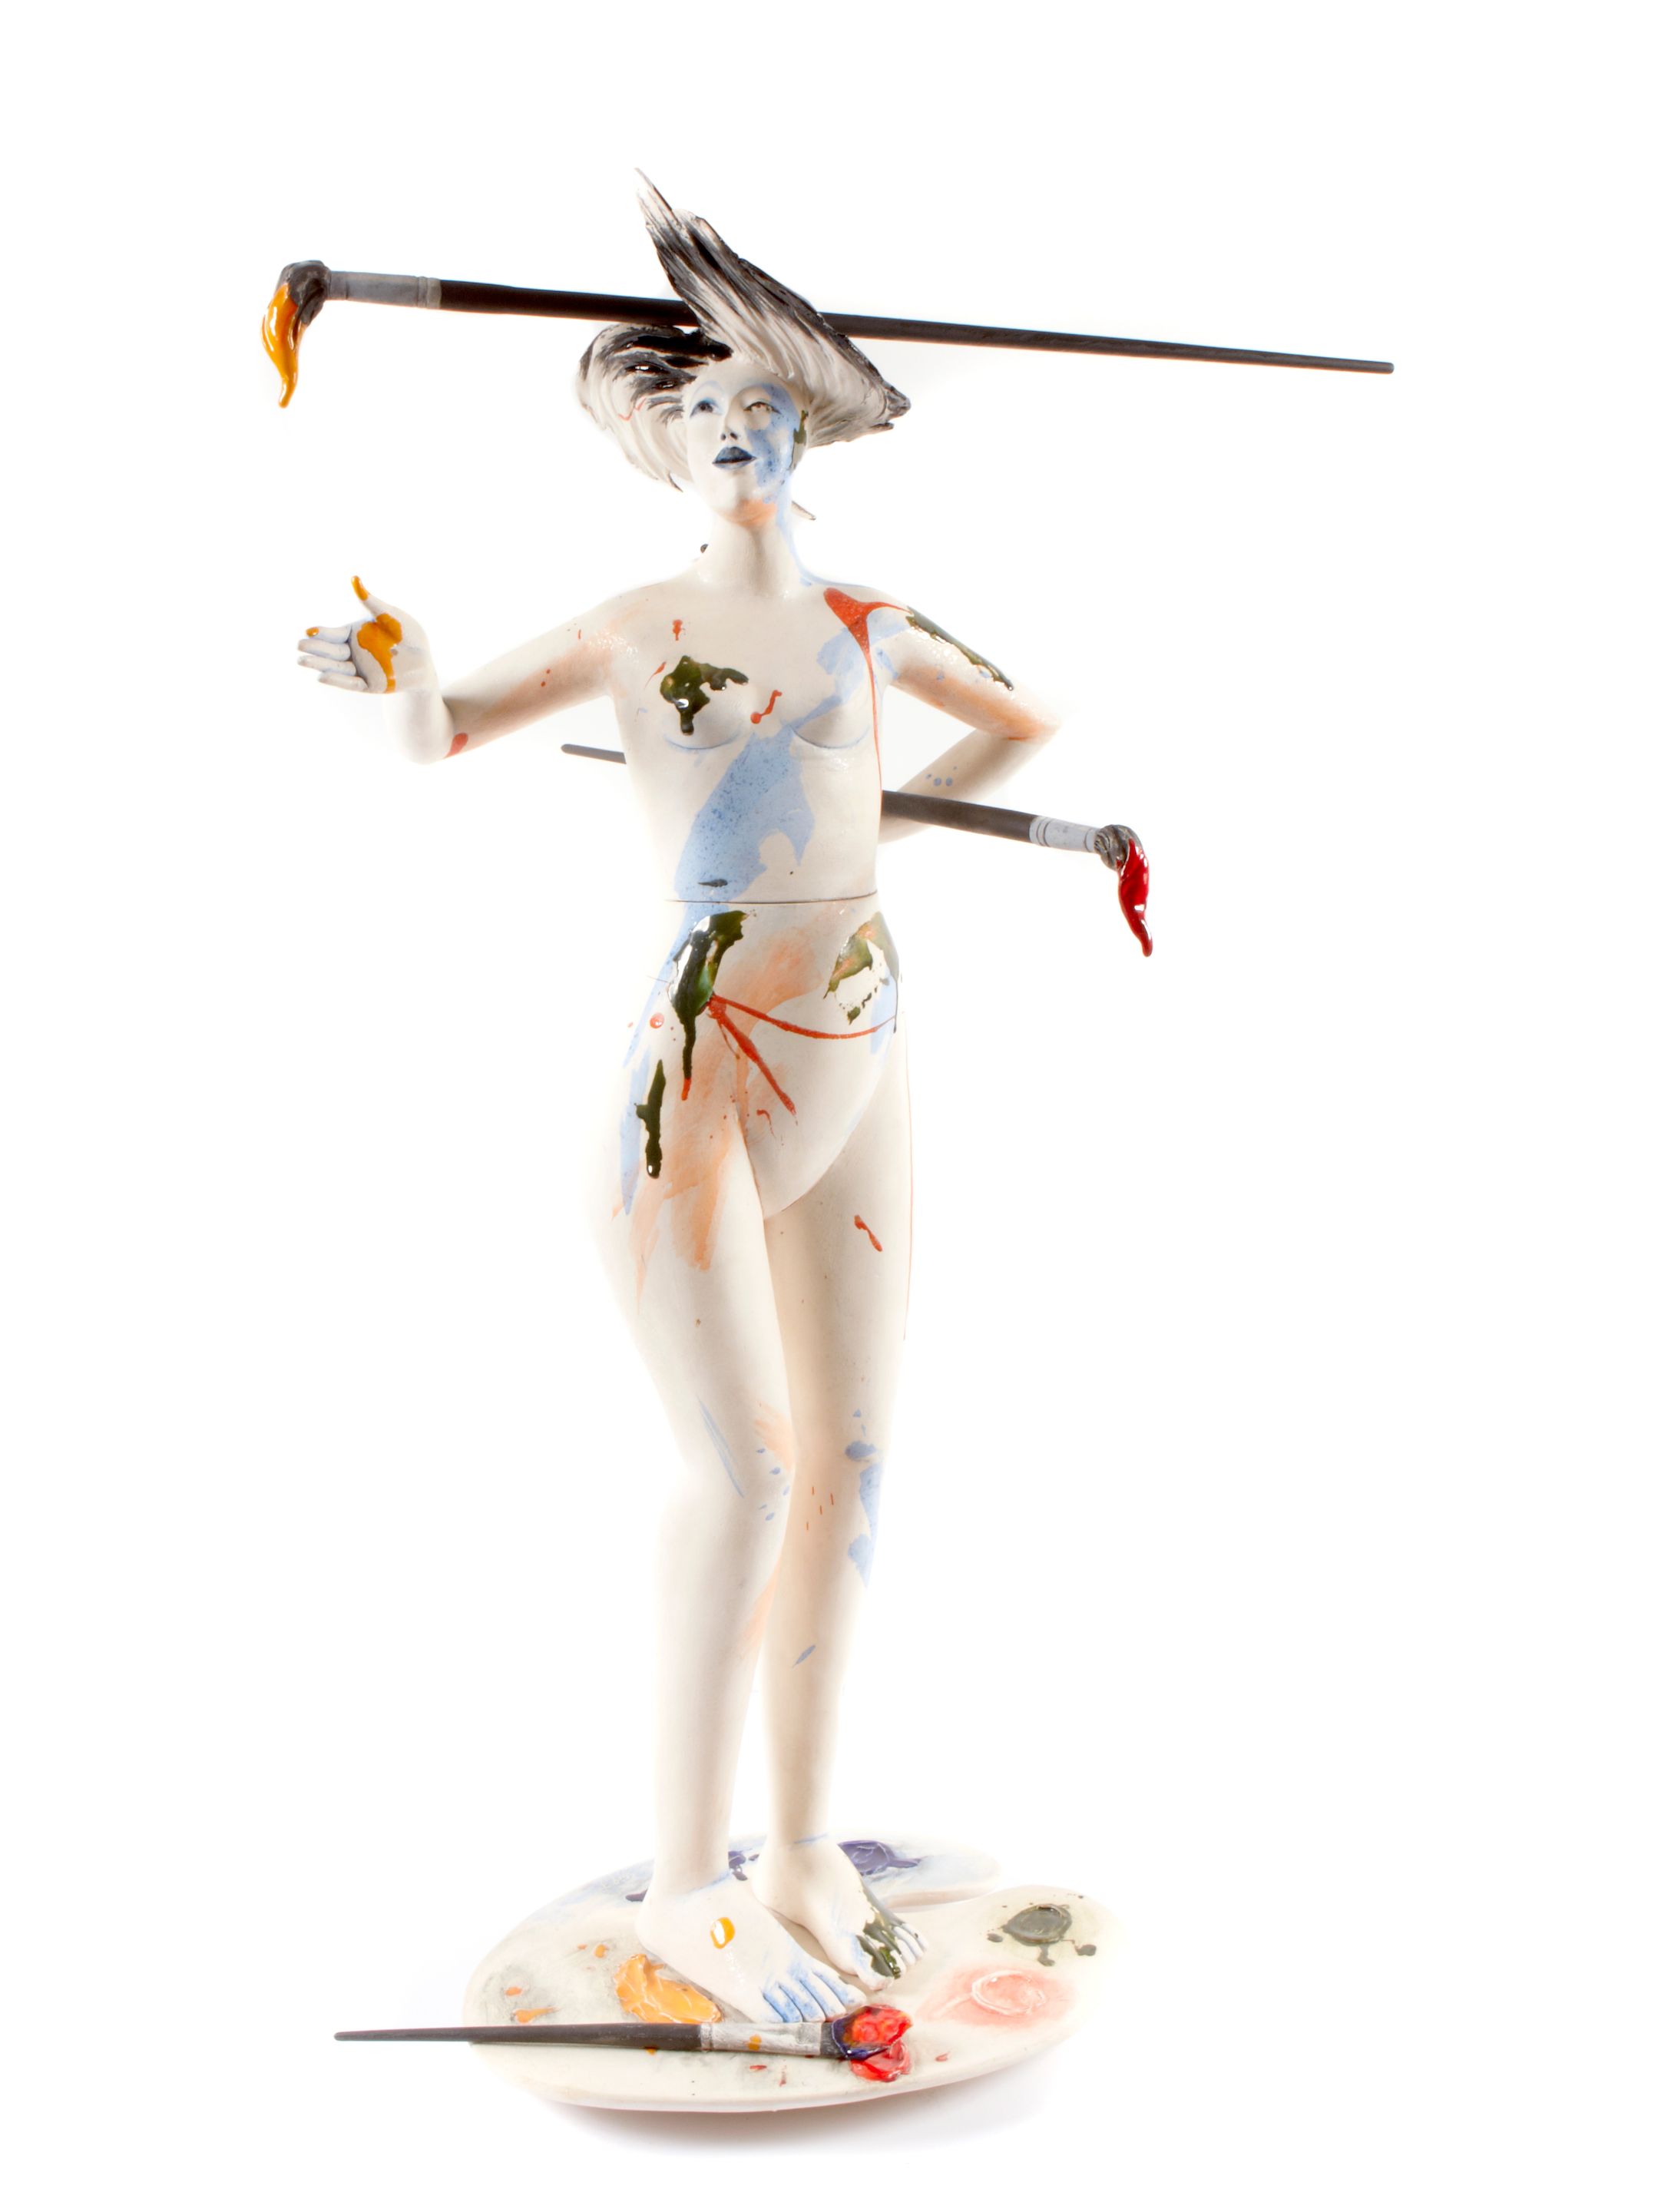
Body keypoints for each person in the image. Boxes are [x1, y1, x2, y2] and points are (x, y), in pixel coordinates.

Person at [296, 180, 1060, 2025]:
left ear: (805, 433)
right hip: (699, 1067)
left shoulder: (869, 624)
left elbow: (1025, 724)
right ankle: (683, 1883)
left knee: (852, 1463)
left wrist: (863, 839)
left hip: (863, 1028)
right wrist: (402, 672)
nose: (737, 426)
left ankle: (795, 1848)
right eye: (706, 404)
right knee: (747, 1470)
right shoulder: (637, 627)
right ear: (668, 444)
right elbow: (439, 733)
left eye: (766, 402)